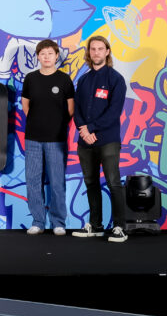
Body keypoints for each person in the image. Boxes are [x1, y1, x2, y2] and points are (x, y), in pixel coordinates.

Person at [72, 35, 129, 243]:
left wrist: (91, 128)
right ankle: (95, 226)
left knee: (113, 182)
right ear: (89, 52)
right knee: (91, 183)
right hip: (85, 141)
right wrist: (84, 131)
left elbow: (114, 112)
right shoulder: (83, 80)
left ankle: (119, 227)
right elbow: (77, 109)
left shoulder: (116, 79)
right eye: (93, 49)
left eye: (100, 49)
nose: (96, 52)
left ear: (107, 52)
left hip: (108, 140)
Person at [21, 39, 75, 235]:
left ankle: (58, 222)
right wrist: (38, 121)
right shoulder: (31, 79)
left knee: (57, 182)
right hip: (33, 138)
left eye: (50, 53)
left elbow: (70, 109)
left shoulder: (64, 80)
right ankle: (38, 221)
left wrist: (55, 124)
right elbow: (26, 105)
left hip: (56, 139)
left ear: (56, 56)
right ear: (38, 56)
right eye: (42, 54)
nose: (46, 57)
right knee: (33, 181)